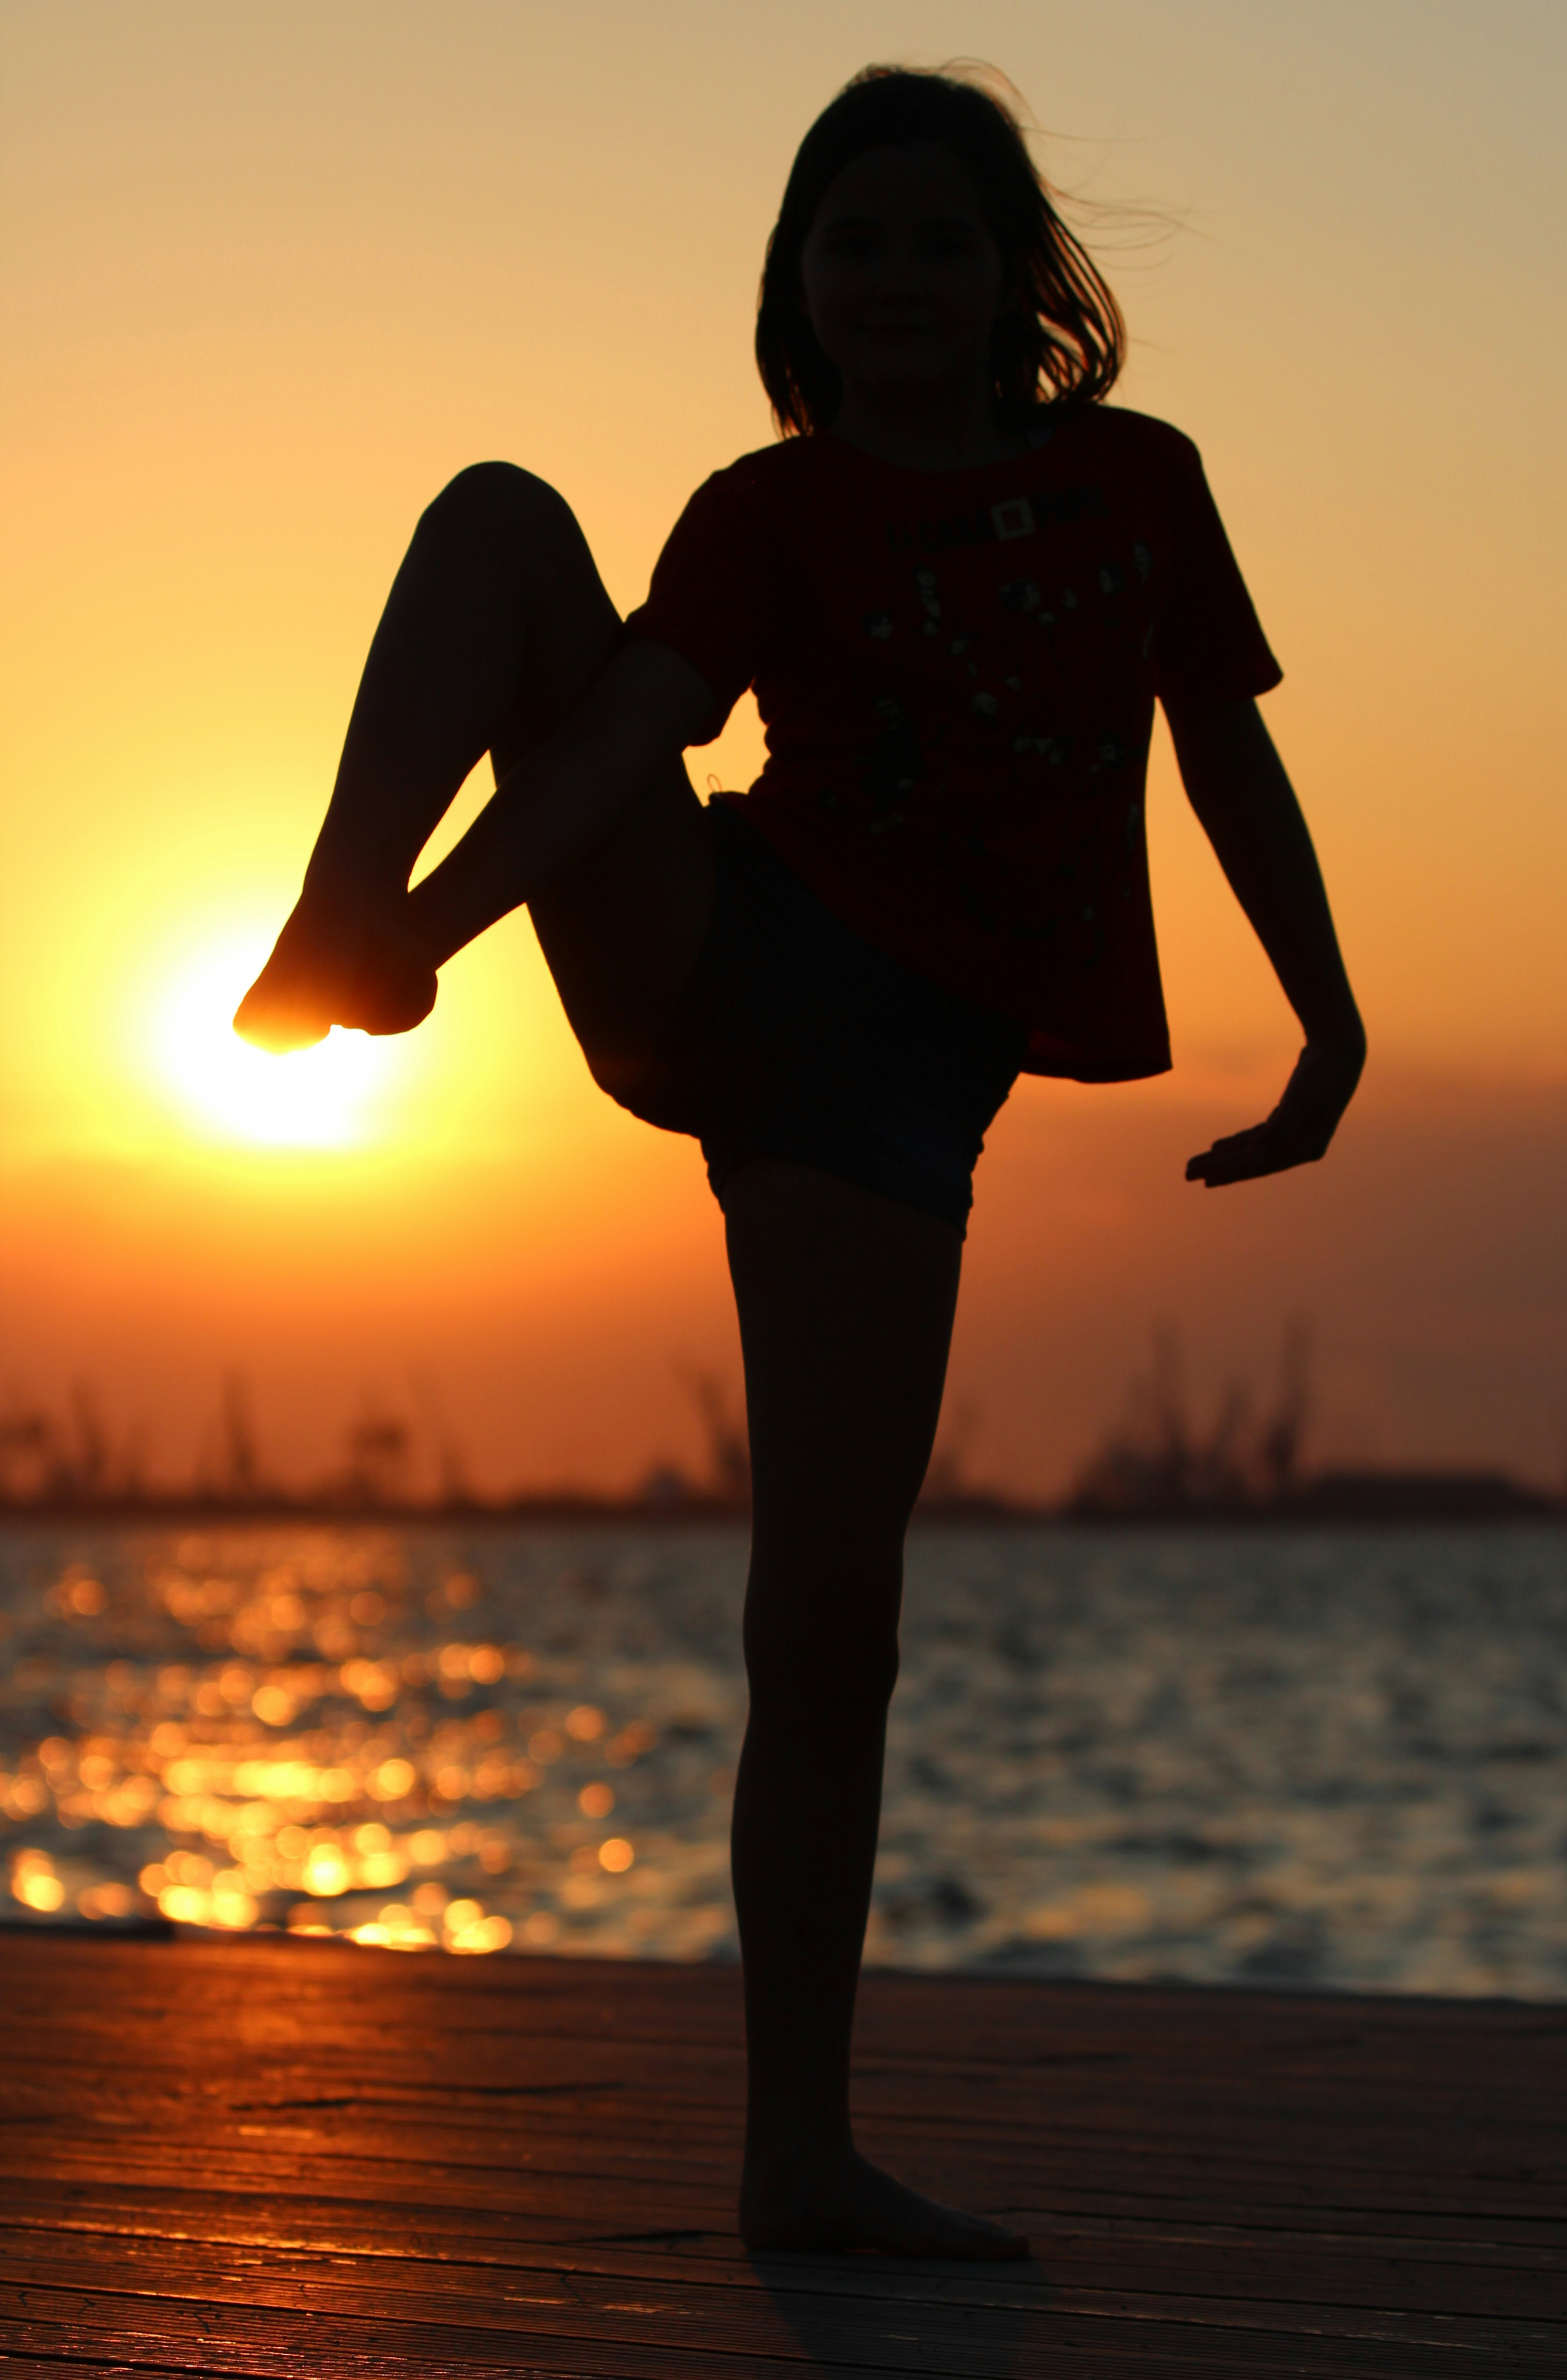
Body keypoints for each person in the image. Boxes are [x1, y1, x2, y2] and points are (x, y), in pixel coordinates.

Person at [236, 65, 1366, 2258]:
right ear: (801, 284)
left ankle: (795, 2152)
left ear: (1021, 275)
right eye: (857, 243)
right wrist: (411, 940)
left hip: (884, 1091)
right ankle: (324, 909)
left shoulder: (1141, 485)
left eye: (943, 241)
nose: (901, 279)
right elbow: (621, 739)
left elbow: (1225, 744)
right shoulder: (769, 513)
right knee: (494, 515)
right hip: (726, 947)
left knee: (828, 1618)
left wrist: (1327, 1016)